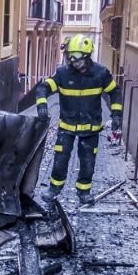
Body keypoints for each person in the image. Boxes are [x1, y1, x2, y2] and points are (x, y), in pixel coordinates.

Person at [33, 36, 122, 206]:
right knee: (60, 159)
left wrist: (116, 114)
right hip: (66, 127)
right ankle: (54, 189)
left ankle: (84, 192)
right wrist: (42, 106)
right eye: (70, 57)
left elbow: (115, 92)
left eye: (77, 58)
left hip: (91, 129)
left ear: (87, 56)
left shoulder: (101, 74)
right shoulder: (63, 74)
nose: (73, 62)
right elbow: (43, 88)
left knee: (88, 162)